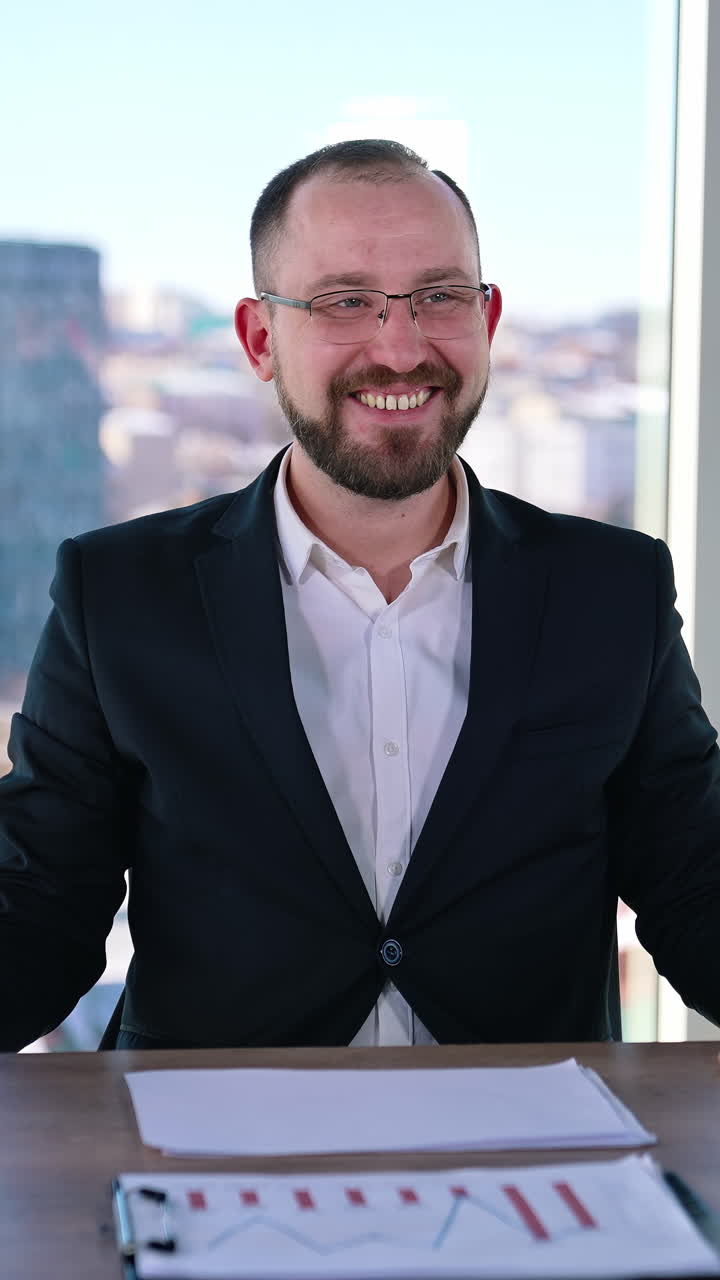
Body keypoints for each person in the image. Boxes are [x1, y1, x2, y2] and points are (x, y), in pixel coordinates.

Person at [1, 139, 720, 1053]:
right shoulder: (118, 595)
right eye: (345, 301)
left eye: (440, 296)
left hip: (531, 1125)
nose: (401, 347)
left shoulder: (614, 590)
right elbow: (38, 906)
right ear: (261, 340)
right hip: (214, 1126)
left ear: (488, 318)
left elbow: (698, 885)